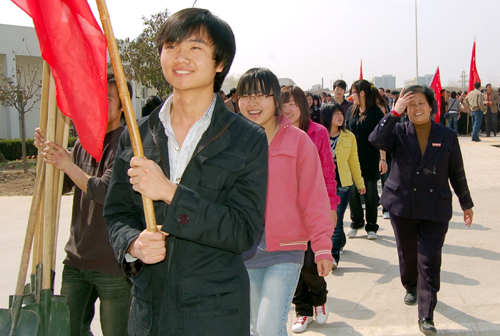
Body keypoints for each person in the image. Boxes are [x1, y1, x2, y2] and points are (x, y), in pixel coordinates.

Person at [103, 9, 268, 335]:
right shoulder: (137, 135)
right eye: (171, 46)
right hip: (149, 315)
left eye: (195, 48)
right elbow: (117, 213)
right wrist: (133, 245)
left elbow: (243, 231)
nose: (180, 57)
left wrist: (170, 193)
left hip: (214, 315)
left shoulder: (247, 138)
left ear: (220, 63)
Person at [369, 85, 474, 335]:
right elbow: (375, 139)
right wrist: (394, 113)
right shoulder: (399, 130)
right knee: (407, 256)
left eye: (421, 103)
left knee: (429, 261)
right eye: (410, 104)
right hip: (402, 204)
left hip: (434, 207)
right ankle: (410, 286)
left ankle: (426, 315)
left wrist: (466, 202)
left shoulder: (447, 135)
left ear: (431, 106)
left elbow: (456, 171)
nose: (416, 108)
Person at [34, 74, 133, 336]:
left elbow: (104, 191)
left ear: (123, 106)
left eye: (108, 99)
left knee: (117, 332)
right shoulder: (84, 142)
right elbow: (62, 186)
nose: (100, 103)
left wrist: (68, 164)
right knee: (69, 329)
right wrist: (48, 155)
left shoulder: (129, 145)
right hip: (77, 260)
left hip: (112, 263)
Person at [238, 68, 333, 336]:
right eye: (246, 96)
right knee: (255, 325)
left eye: (261, 95)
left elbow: (314, 198)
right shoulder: (233, 143)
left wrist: (323, 246)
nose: (252, 103)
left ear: (276, 100)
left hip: (286, 249)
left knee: (268, 327)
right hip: (244, 250)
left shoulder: (299, 142)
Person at [280, 85, 339, 333]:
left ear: (303, 106)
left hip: (313, 209)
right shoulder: (274, 133)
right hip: (285, 211)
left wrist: (331, 206)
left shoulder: (318, 133)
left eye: (293, 103)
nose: (289, 109)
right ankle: (302, 311)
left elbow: (328, 171)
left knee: (311, 264)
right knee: (291, 265)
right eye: (284, 104)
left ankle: (320, 300)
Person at [320, 102, 365, 266]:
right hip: (321, 184)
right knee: (325, 220)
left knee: (336, 221)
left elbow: (354, 161)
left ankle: (333, 256)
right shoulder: (318, 134)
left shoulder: (348, 136)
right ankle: (340, 242)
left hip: (342, 184)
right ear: (326, 116)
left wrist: (359, 183)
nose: (340, 117)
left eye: (341, 114)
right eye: (335, 114)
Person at [345, 80, 387, 240]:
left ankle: (371, 226)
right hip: (353, 160)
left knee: (370, 194)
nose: (351, 96)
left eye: (353, 93)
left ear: (362, 93)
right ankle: (356, 222)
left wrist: (383, 159)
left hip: (370, 159)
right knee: (353, 193)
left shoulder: (376, 112)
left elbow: (382, 137)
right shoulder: (351, 111)